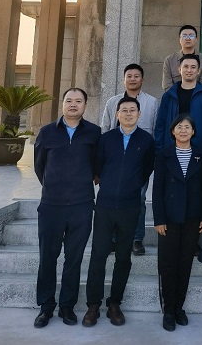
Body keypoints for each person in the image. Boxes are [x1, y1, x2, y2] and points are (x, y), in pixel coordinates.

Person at [83, 97, 155, 327]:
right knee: (98, 256)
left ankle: (115, 303)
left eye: (133, 110)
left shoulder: (146, 140)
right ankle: (93, 305)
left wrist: (131, 187)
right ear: (117, 114)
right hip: (104, 206)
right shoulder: (106, 139)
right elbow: (98, 165)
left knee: (123, 257)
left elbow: (146, 169)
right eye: (124, 110)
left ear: (139, 114)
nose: (128, 113)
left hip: (130, 207)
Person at [33, 88, 101, 328]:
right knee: (47, 258)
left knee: (74, 259)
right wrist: (55, 187)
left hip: (82, 206)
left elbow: (97, 165)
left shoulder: (94, 133)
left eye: (78, 101)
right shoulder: (47, 132)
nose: (73, 104)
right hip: (51, 206)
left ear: (85, 105)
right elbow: (40, 166)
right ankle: (46, 307)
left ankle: (67, 307)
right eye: (69, 100)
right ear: (62, 104)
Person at [153, 114, 202, 331]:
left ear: (193, 131)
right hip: (169, 218)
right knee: (168, 264)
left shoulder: (201, 155)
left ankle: (179, 307)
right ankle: (168, 310)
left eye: (187, 127)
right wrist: (159, 218)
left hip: (192, 218)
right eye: (179, 127)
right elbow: (157, 188)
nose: (183, 130)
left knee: (185, 263)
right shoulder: (164, 154)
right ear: (173, 131)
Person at [100, 63, 159, 256]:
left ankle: (136, 239)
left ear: (142, 79)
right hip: (115, 160)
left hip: (139, 161)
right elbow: (105, 129)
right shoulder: (112, 102)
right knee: (113, 198)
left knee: (139, 199)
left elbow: (155, 130)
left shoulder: (152, 102)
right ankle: (113, 239)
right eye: (129, 76)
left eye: (136, 76)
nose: (133, 79)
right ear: (124, 79)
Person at [155, 54, 202, 154]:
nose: (189, 70)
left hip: (199, 149)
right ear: (179, 69)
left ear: (198, 71)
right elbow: (160, 125)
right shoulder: (169, 95)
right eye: (186, 66)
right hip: (171, 149)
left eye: (193, 67)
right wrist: (159, 151)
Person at [163, 25, 202, 90]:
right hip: (174, 95)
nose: (188, 39)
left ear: (196, 39)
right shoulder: (170, 60)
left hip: (197, 95)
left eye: (191, 36)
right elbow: (167, 84)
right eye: (184, 36)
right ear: (180, 39)